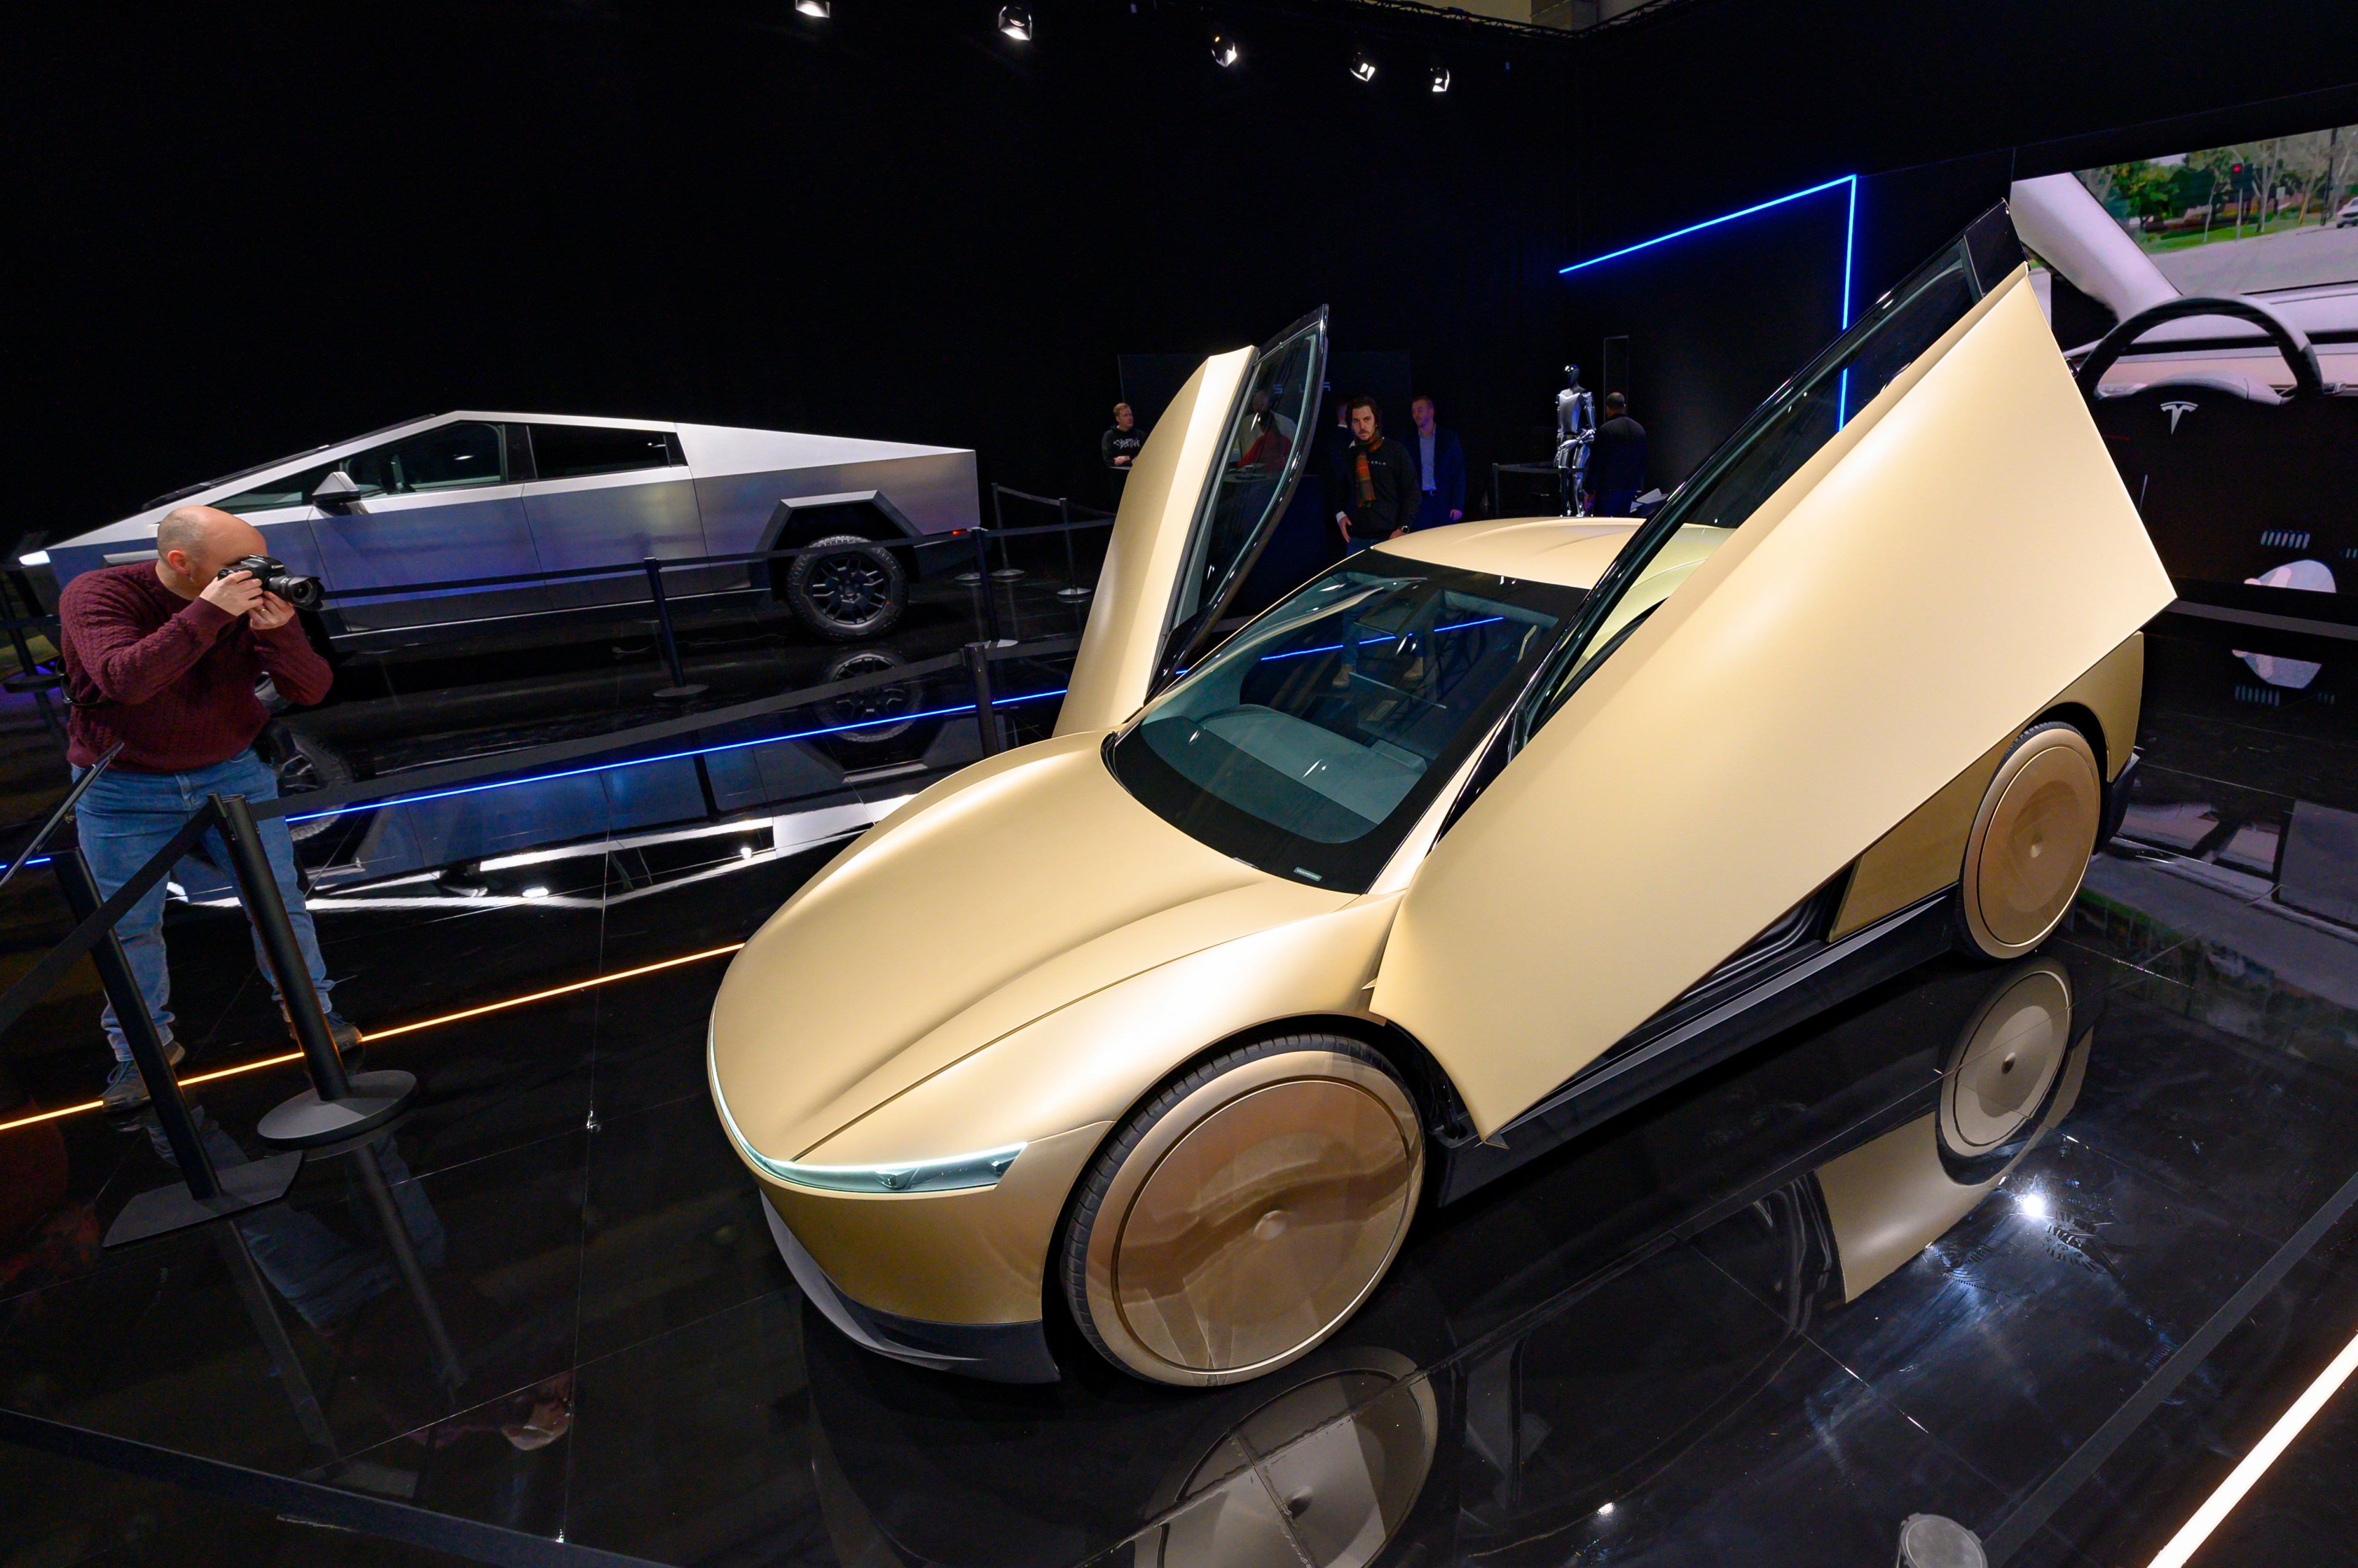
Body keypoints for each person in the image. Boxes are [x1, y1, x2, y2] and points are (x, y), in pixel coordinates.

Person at [58, 505, 360, 1111]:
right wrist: (209, 613)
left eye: (262, 562)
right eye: (236, 568)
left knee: (277, 900)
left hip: (233, 771)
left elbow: (312, 689)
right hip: (123, 785)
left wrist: (280, 632)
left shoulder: (243, 601)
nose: (253, 577)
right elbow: (124, 678)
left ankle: (312, 1014)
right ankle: (141, 1053)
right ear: (180, 563)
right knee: (127, 925)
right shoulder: (100, 594)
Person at [1333, 397, 1419, 553]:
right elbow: (1340, 489)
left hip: (1391, 537)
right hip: (1357, 538)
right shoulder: (1349, 454)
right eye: (1356, 421)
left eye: (1367, 419)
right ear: (1351, 425)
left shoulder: (1395, 451)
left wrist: (1403, 528)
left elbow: (1412, 493)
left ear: (1376, 421)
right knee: (1356, 578)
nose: (1362, 426)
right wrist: (1340, 515)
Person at [1406, 394, 1466, 532]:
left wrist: (1458, 504)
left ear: (1431, 411)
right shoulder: (1408, 442)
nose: (1416, 415)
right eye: (1413, 411)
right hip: (1420, 502)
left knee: (1446, 542)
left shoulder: (1448, 439)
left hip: (1443, 501)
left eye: (1420, 410)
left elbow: (1458, 473)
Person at [1589, 392, 1648, 517]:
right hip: (1629, 488)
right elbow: (1643, 460)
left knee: (1601, 525)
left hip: (1608, 488)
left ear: (1608, 409)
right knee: (1621, 524)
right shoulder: (1639, 429)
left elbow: (1596, 462)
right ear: (1624, 407)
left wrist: (1590, 489)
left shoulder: (1606, 430)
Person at [1101, 403, 1145, 473]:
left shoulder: (1140, 435)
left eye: (1130, 415)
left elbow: (1147, 456)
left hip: (1139, 474)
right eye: (1125, 416)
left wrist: (1128, 458)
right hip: (1119, 478)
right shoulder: (1109, 436)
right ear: (1118, 419)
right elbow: (1109, 461)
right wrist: (1131, 461)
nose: (1130, 418)